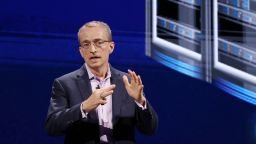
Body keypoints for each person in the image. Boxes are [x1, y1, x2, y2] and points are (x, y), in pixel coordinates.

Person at [45, 20, 158, 144]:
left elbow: (149, 129)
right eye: (86, 44)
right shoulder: (65, 84)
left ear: (111, 47)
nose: (93, 49)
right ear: (81, 51)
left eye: (99, 43)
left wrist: (140, 101)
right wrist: (84, 107)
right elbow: (52, 127)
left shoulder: (128, 82)